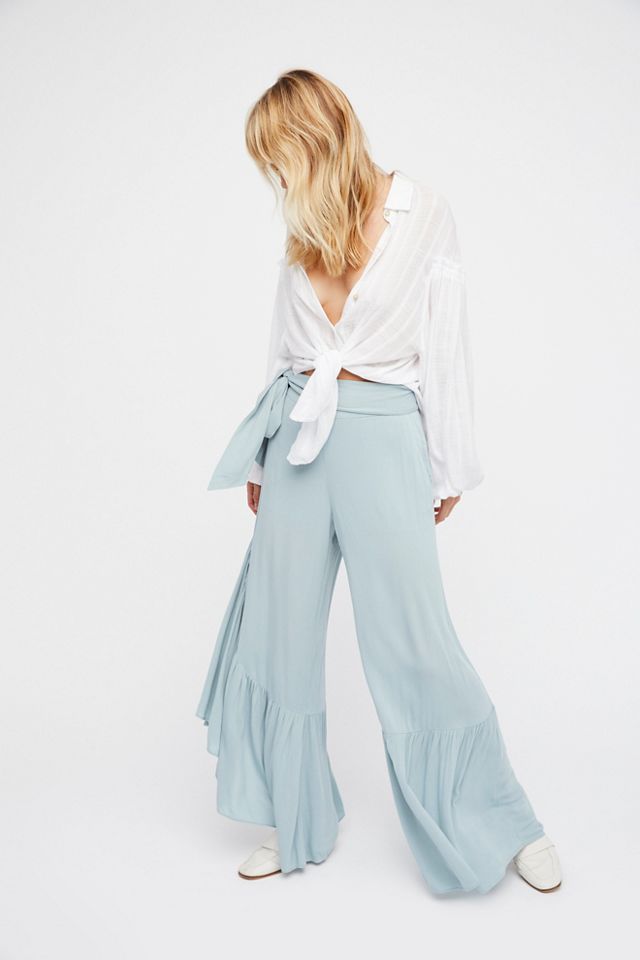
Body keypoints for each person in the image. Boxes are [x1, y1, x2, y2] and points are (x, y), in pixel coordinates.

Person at [196, 68, 562, 895]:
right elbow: (284, 347)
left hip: (384, 436)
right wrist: (259, 458)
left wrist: (448, 462)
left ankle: (506, 823)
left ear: (317, 141)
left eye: (280, 158)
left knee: (413, 642)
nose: (275, 178)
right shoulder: (302, 230)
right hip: (296, 435)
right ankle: (295, 817)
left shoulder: (422, 213)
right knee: (280, 636)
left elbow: (445, 346)